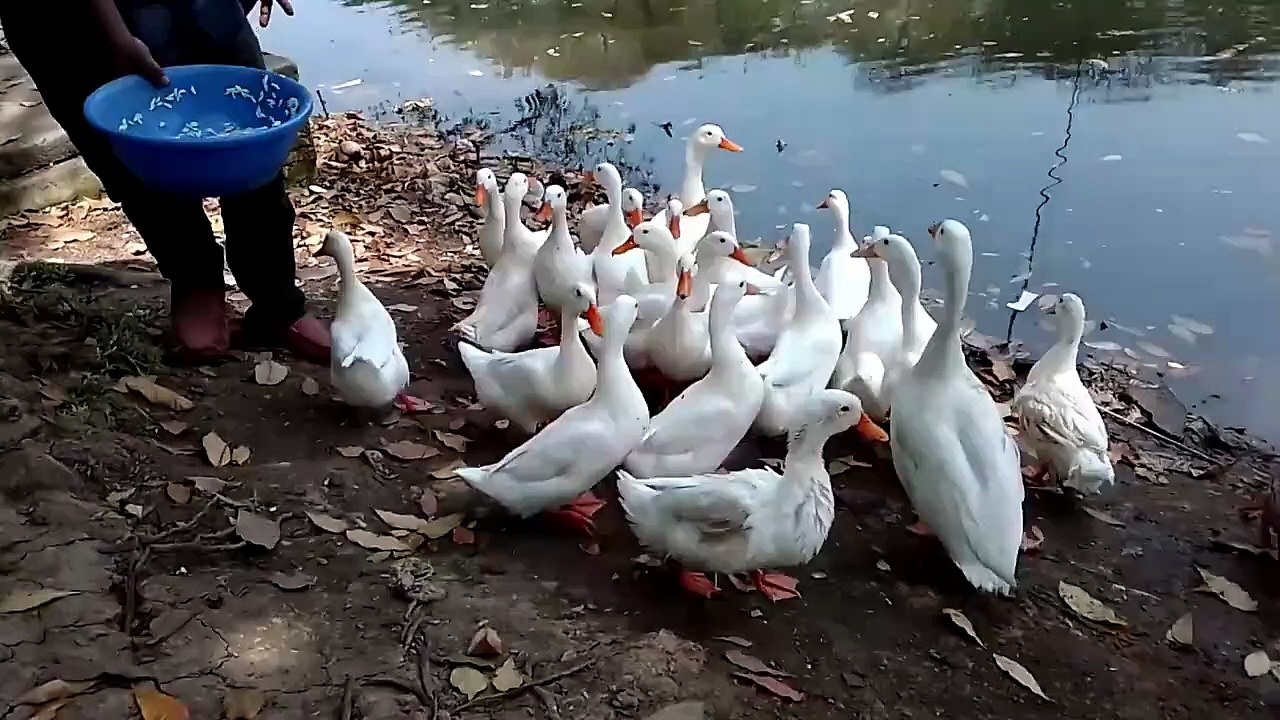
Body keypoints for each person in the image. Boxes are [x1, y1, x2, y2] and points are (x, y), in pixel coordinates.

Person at [0, 0, 330, 363]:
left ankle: (277, 300)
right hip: (70, 19)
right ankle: (196, 279)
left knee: (245, 118)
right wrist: (116, 35)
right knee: (129, 144)